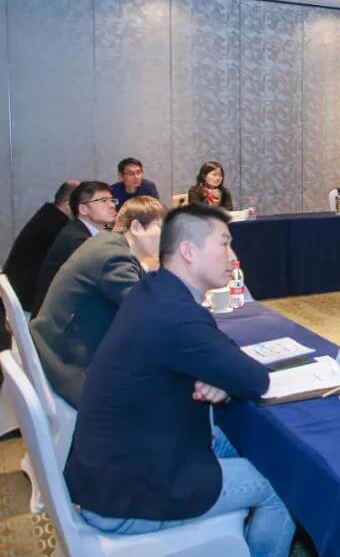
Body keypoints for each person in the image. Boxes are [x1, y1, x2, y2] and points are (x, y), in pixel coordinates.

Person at [65, 204, 295, 556]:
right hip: (129, 494)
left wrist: (221, 376)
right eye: (224, 244)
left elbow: (222, 353)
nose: (233, 257)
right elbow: (254, 379)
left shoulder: (154, 290)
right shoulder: (175, 315)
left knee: (246, 442)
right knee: (282, 486)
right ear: (188, 252)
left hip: (115, 468)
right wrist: (225, 375)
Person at [30, 197, 166, 408]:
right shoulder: (115, 257)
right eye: (161, 228)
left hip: (57, 346)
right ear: (136, 227)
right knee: (168, 386)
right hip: (72, 366)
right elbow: (150, 313)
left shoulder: (107, 242)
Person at [32, 181, 116, 314]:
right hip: (60, 320)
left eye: (112, 200)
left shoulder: (83, 230)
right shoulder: (77, 240)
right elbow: (108, 281)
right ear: (83, 209)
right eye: (104, 201)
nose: (112, 205)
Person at [3, 180, 78, 309]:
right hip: (31, 300)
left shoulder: (48, 215)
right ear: (67, 204)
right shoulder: (58, 227)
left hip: (20, 293)